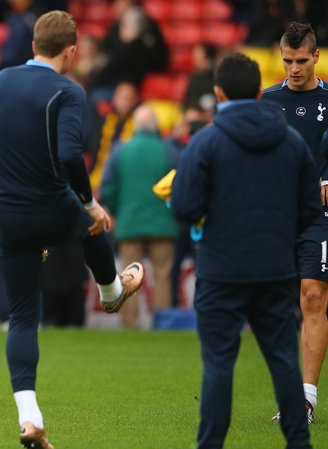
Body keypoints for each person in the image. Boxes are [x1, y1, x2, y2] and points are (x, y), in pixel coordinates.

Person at [0, 11, 145, 448]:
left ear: (32, 47)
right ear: (71, 51)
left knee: (24, 318)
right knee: (94, 223)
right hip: (52, 206)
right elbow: (69, 155)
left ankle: (30, 419)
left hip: (6, 214)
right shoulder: (68, 89)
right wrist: (89, 202)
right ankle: (109, 292)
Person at [171, 52, 316, 449]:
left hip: (221, 271)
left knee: (219, 363)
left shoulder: (205, 142)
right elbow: (309, 210)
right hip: (275, 268)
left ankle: (211, 445)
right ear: (258, 91)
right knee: (285, 360)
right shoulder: (292, 141)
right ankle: (299, 443)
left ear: (217, 92)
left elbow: (184, 208)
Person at [263, 22, 328, 424]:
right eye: (287, 61)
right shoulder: (267, 101)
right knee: (272, 306)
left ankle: (304, 400)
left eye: (301, 60)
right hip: (274, 217)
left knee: (313, 298)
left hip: (319, 217)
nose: (294, 68)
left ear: (316, 56)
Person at [100, 105, 178, 329]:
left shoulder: (120, 150)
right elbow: (180, 183)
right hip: (163, 223)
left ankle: (130, 325)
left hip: (128, 223)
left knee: (128, 279)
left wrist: (115, 212)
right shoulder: (169, 149)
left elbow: (108, 189)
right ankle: (162, 324)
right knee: (162, 276)